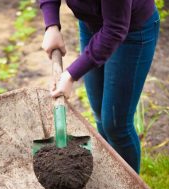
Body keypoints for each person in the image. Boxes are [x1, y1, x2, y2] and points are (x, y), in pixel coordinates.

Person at [39, 0, 160, 174]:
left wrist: (71, 75)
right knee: (100, 115)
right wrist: (51, 25)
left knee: (116, 125)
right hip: (92, 25)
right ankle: (112, 178)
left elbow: (115, 29)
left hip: (131, 32)